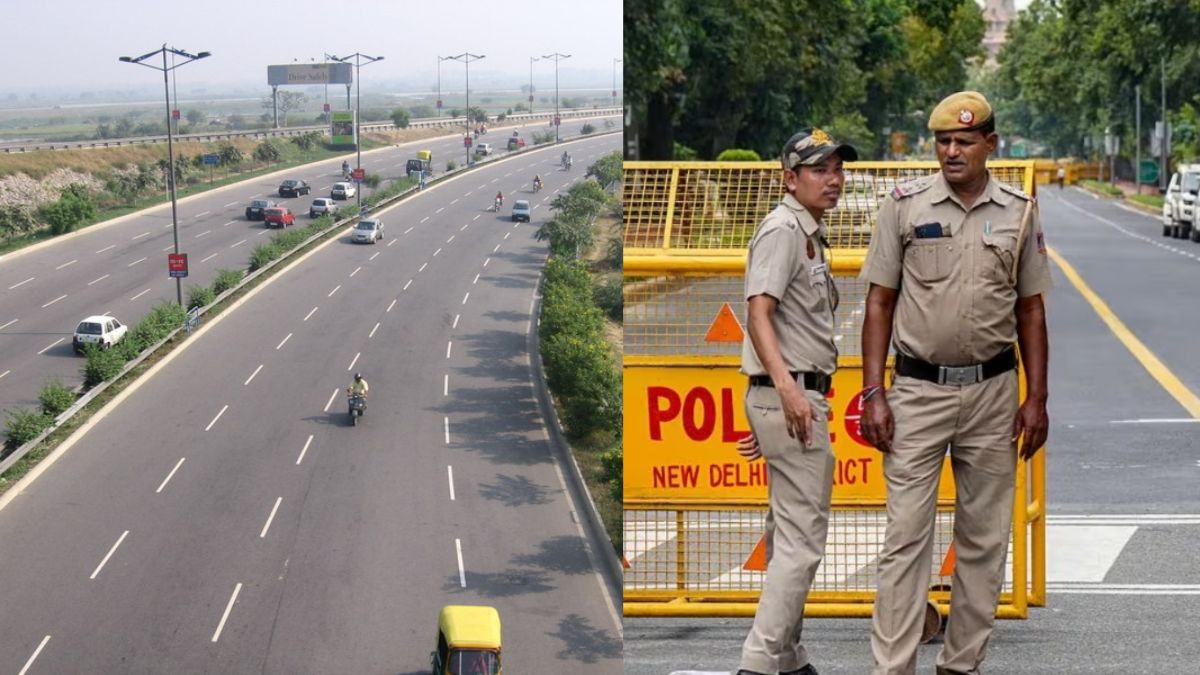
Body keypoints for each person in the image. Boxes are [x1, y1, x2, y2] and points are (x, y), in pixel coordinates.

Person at [859, 90, 1051, 675]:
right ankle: (892, 668)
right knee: (905, 541)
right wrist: (874, 393)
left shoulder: (1018, 212)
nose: (951, 151)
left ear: (990, 145)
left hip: (995, 395)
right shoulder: (905, 207)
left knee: (984, 542)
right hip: (916, 393)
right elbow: (878, 304)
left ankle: (961, 665)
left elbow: (1031, 312)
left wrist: (1036, 398)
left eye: (964, 141)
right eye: (943, 141)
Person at [735, 127, 857, 675]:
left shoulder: (808, 231)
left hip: (791, 399)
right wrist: (785, 392)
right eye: (819, 170)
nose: (833, 180)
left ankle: (788, 659)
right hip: (794, 398)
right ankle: (760, 664)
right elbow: (759, 311)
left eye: (837, 168)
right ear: (790, 177)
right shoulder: (783, 230)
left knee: (787, 534)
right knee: (802, 543)